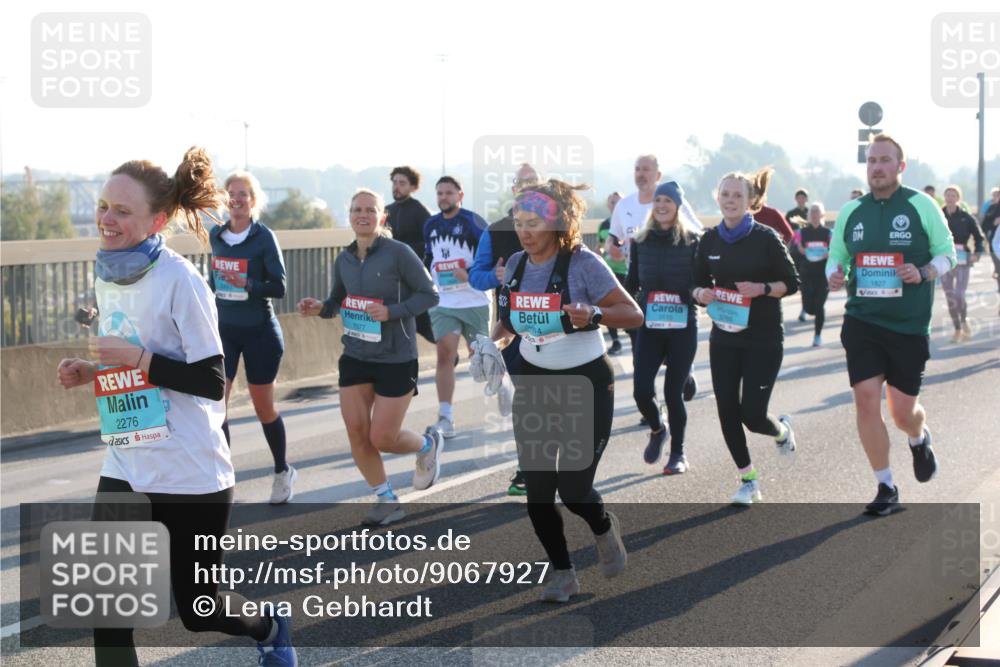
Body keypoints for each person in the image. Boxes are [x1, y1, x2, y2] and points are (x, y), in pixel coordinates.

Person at [56, 148, 296, 666]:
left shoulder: (181, 280)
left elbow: (212, 381)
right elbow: (132, 355)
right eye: (103, 206)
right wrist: (94, 369)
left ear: (157, 221)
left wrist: (136, 359)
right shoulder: (107, 273)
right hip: (126, 460)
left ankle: (270, 626)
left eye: (123, 211)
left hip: (189, 470)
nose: (107, 219)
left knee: (200, 610)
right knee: (107, 610)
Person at [492, 179, 643, 602]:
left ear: (557, 222)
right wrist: (491, 344)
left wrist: (594, 313)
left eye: (533, 222)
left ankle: (603, 526)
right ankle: (563, 572)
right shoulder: (517, 264)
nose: (524, 232)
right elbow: (508, 322)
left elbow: (633, 314)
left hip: (586, 383)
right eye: (519, 222)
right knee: (538, 493)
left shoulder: (583, 263)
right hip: (535, 382)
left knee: (574, 490)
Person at [827, 134, 956, 516]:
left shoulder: (921, 205)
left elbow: (948, 253)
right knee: (866, 401)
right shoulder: (852, 211)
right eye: (872, 161)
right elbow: (837, 257)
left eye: (885, 160)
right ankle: (886, 486)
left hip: (908, 326)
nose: (877, 167)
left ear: (900, 166)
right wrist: (834, 274)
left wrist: (925, 271)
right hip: (862, 320)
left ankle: (918, 436)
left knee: (903, 413)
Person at [297, 189, 441, 526]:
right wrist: (320, 307)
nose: (362, 215)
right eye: (356, 210)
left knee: (383, 438)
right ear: (349, 215)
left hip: (396, 357)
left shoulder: (399, 253)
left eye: (370, 210)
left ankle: (426, 445)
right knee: (357, 433)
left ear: (382, 217)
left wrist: (392, 312)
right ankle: (387, 499)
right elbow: (337, 301)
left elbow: (430, 294)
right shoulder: (344, 259)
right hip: (356, 354)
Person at [693, 168, 800, 506]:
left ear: (751, 201)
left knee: (752, 416)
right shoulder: (709, 240)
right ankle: (749, 481)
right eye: (725, 194)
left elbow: (792, 283)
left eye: (738, 195)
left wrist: (762, 288)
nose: (730, 200)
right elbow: (695, 283)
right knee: (726, 410)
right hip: (724, 337)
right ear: (717, 198)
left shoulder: (766, 238)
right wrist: (700, 294)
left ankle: (781, 431)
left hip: (763, 338)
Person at [210, 171, 296, 504]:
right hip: (225, 331)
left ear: (253, 200)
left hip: (260, 331)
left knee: (264, 408)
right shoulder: (216, 236)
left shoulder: (264, 237)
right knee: (217, 406)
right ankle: (223, 480)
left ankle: (282, 470)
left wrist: (247, 284)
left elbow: (280, 286)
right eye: (231, 194)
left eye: (243, 194)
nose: (236, 199)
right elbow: (215, 281)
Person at [605, 155, 700, 413]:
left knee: (674, 356)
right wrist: (612, 248)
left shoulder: (671, 202)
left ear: (657, 175)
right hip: (641, 291)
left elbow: (697, 235)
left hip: (676, 294)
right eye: (637, 169)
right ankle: (651, 411)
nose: (641, 174)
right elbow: (612, 238)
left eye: (646, 169)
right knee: (642, 358)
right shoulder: (623, 205)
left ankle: (685, 370)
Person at [469, 162, 540, 496]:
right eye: (522, 182)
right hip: (512, 326)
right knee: (526, 399)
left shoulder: (555, 225)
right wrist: (494, 276)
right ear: (514, 189)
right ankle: (528, 468)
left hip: (552, 328)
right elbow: (476, 275)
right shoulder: (496, 231)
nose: (527, 186)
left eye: (533, 181)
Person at [625, 182, 700, 474]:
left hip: (683, 327)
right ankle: (658, 429)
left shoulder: (693, 241)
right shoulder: (640, 241)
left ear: (678, 206)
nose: (661, 205)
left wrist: (694, 294)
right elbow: (631, 285)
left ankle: (678, 454)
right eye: (658, 200)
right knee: (641, 391)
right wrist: (622, 312)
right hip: (650, 327)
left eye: (668, 200)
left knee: (673, 394)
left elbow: (701, 284)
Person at [423, 176, 491, 438]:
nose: (443, 198)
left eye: (449, 193)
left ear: (460, 195)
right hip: (444, 301)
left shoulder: (474, 222)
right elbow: (428, 258)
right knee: (444, 354)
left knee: (480, 359)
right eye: (439, 193)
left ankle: (502, 385)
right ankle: (446, 417)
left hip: (474, 300)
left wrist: (470, 273)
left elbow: (490, 256)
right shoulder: (430, 224)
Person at [386, 166, 435, 343]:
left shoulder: (420, 211)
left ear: (413, 187)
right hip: (391, 278)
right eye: (394, 182)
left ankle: (447, 351)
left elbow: (431, 243)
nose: (396, 187)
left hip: (415, 278)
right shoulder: (386, 211)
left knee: (423, 323)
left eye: (402, 183)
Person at [940, 185, 984, 343]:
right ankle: (957, 329)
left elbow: (979, 237)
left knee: (959, 294)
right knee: (950, 296)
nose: (950, 198)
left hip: (963, 258)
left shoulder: (966, 217)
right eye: (948, 195)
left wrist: (977, 253)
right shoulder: (939, 215)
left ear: (958, 198)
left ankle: (964, 320)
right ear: (944, 197)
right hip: (944, 258)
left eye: (953, 195)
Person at [793, 202, 833, 346]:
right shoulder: (801, 232)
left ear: (822, 215)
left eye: (817, 211)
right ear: (809, 215)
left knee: (819, 306)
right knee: (809, 308)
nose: (815, 214)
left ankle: (817, 336)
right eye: (812, 212)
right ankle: (806, 309)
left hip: (822, 274)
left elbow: (834, 250)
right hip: (807, 273)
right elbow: (796, 250)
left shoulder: (828, 233)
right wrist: (801, 250)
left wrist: (829, 253)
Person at [596, 191, 627, 355]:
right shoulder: (603, 225)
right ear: (608, 205)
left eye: (618, 202)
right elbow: (599, 246)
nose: (615, 205)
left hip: (628, 271)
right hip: (610, 272)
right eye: (612, 202)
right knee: (608, 305)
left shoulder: (630, 221)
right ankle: (615, 341)